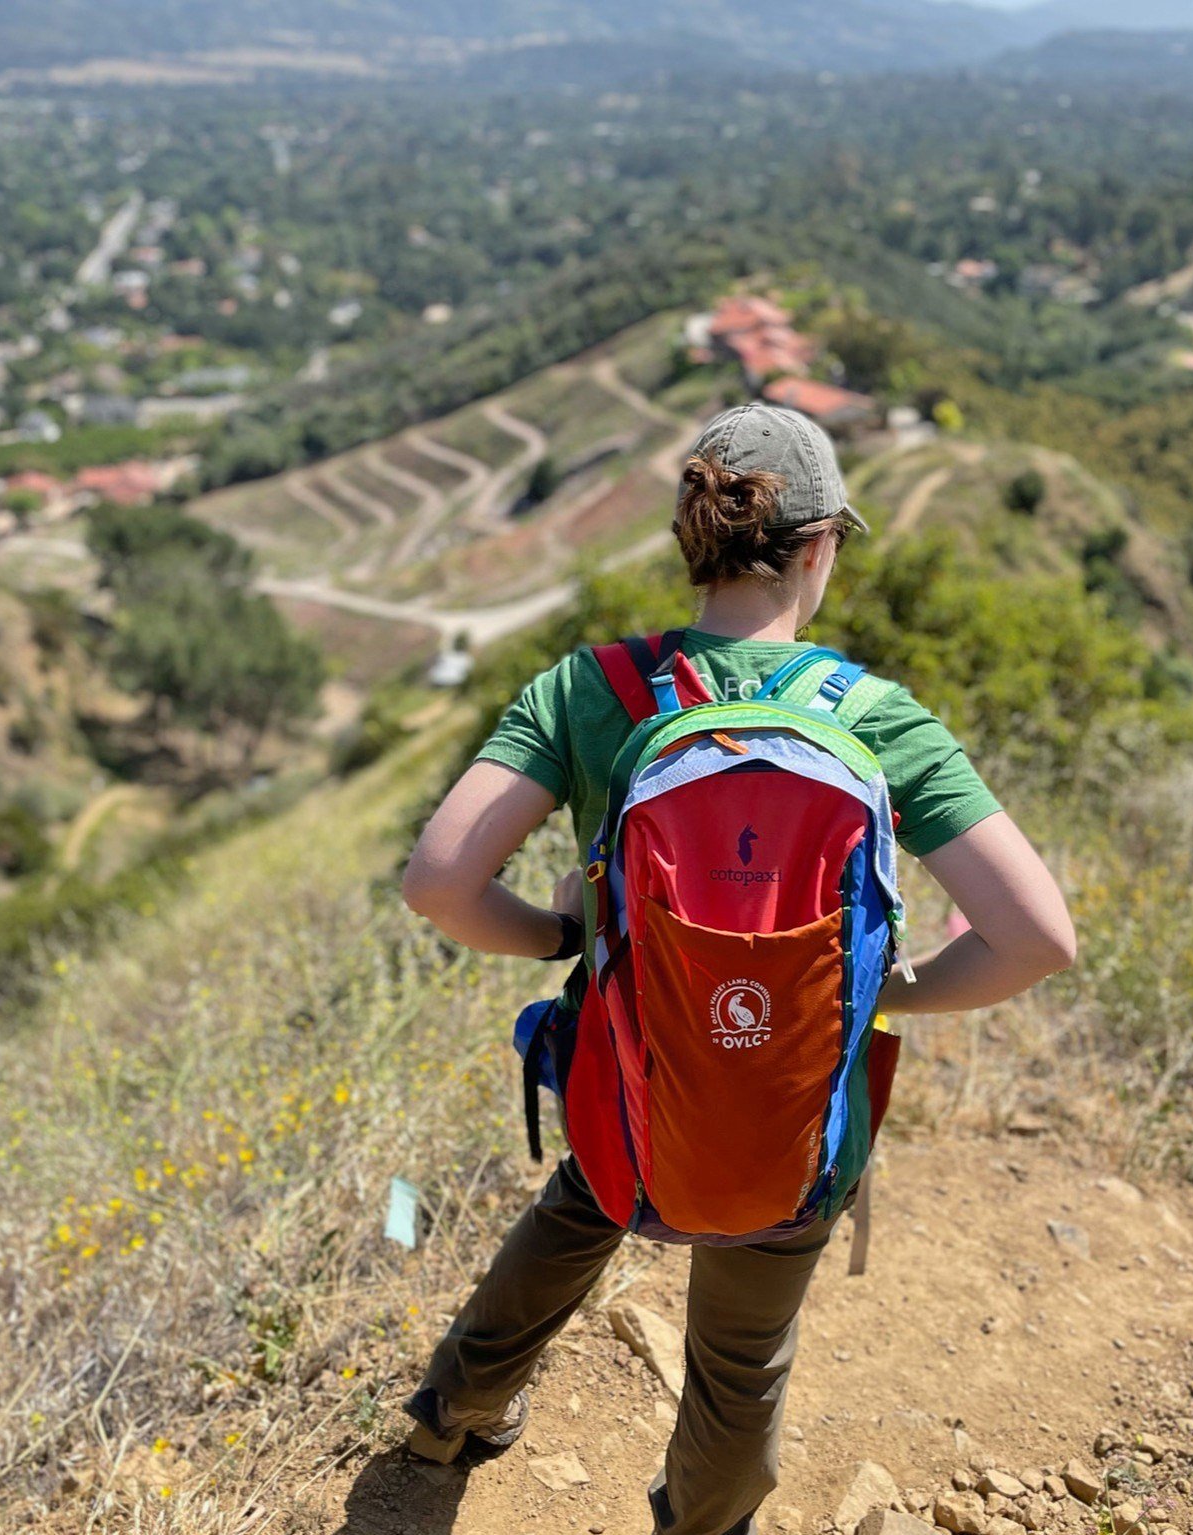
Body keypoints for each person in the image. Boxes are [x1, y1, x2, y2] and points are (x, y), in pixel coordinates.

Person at [400, 401, 1076, 1535]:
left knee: (587, 1192)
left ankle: (452, 1410)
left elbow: (437, 882)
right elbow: (1037, 938)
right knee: (742, 1359)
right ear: (818, 547)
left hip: (626, 1085)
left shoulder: (587, 689)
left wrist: (563, 936)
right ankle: (700, 1522)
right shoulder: (877, 718)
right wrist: (874, 993)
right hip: (792, 1116)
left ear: (692, 537)